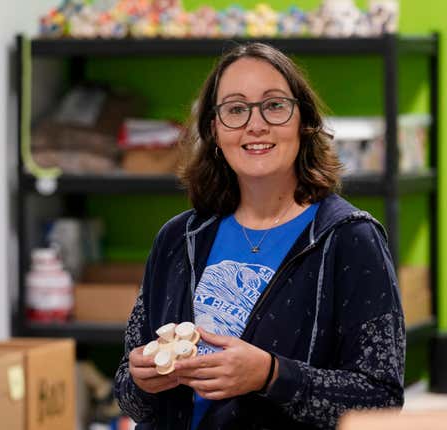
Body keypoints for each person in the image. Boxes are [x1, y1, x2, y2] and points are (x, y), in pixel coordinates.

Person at [114, 42, 405, 430]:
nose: (256, 124)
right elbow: (131, 397)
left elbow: (381, 399)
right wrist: (140, 380)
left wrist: (271, 375)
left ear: (304, 122)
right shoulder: (178, 239)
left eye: (274, 105)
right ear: (214, 131)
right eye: (235, 109)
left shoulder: (349, 238)